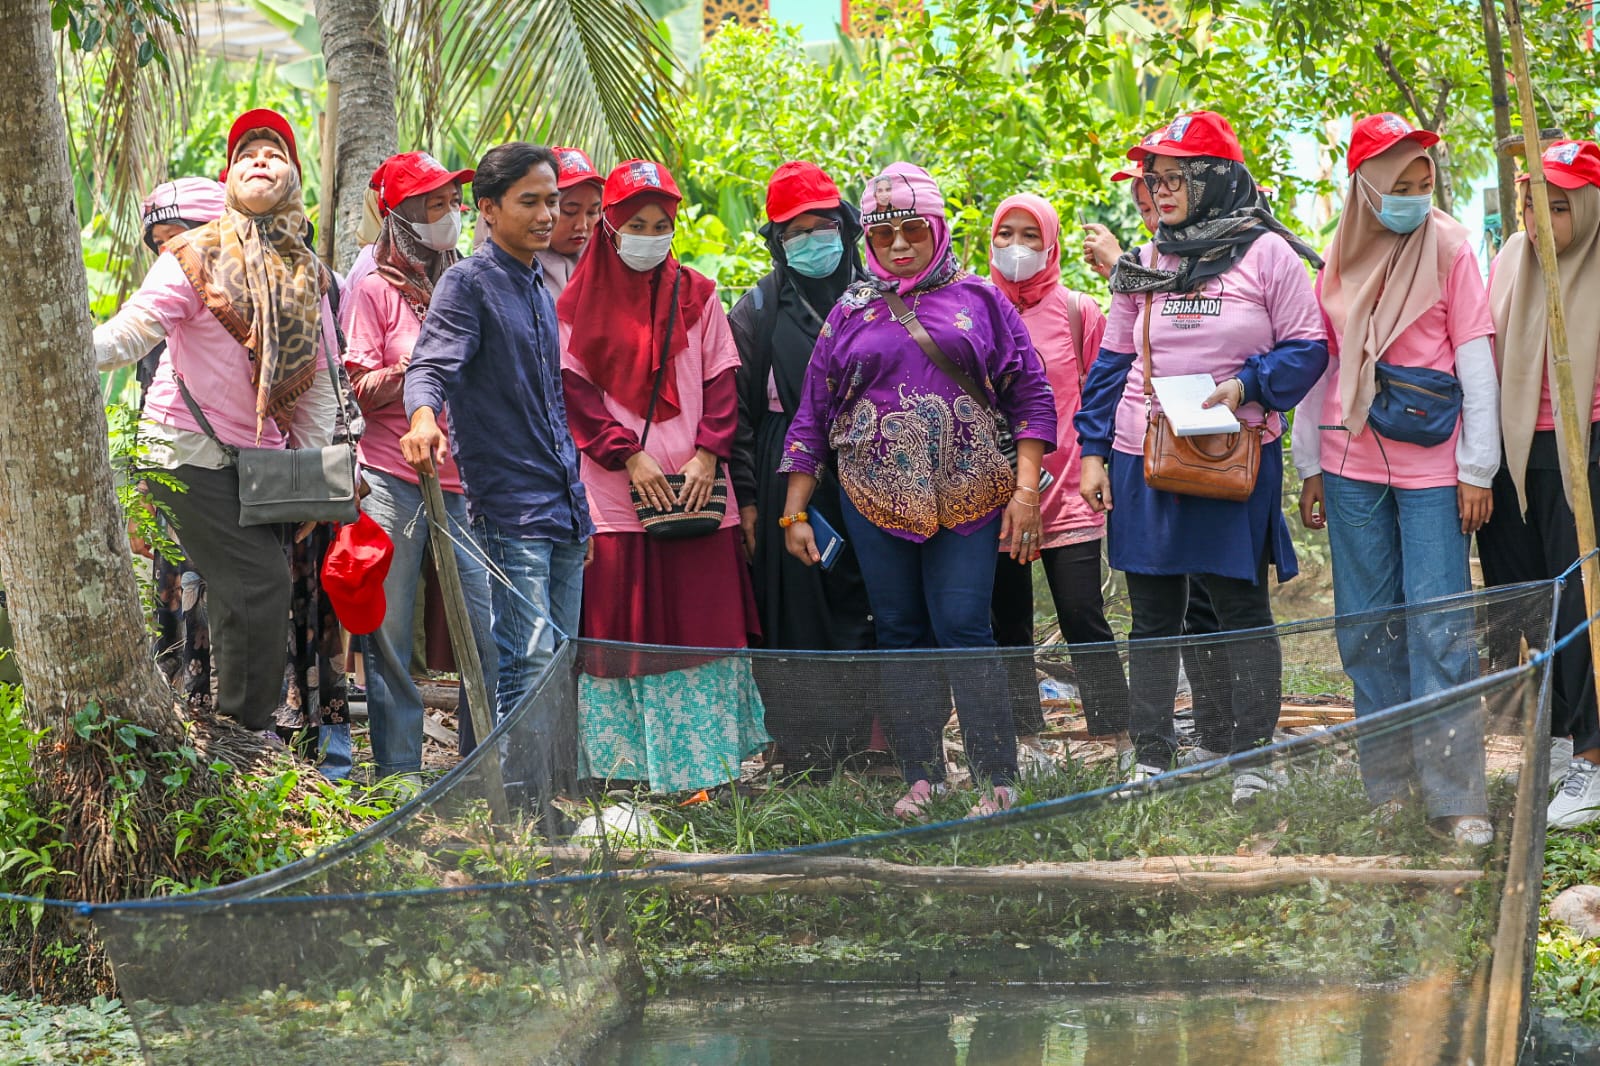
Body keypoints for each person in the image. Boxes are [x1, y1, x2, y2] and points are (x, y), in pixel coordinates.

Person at [779, 163, 1057, 819]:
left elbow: (1031, 397)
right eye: (885, 236)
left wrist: (1025, 492)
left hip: (971, 494)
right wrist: (795, 510)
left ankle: (997, 778)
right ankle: (921, 776)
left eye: (912, 231)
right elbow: (812, 416)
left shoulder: (983, 300)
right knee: (899, 631)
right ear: (868, 242)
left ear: (936, 228)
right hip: (873, 497)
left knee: (964, 625)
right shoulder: (847, 314)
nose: (899, 246)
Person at [1074, 110, 1329, 805]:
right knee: (1153, 611)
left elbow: (1309, 348)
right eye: (1150, 179)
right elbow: (1113, 361)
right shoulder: (1144, 262)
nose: (1157, 190)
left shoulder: (1268, 255)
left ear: (1215, 177)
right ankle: (1153, 756)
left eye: (1173, 176)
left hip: (1231, 454)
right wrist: (1093, 452)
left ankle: (1248, 754)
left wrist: (1246, 385)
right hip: (1143, 451)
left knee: (1240, 604)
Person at [93, 109, 346, 748]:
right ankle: (245, 732)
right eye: (246, 154)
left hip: (263, 468)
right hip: (186, 449)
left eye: (275, 152)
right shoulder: (193, 255)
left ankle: (222, 732)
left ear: (292, 176)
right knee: (258, 583)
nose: (260, 160)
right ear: (228, 177)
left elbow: (318, 383)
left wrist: (314, 478)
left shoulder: (307, 273)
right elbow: (133, 330)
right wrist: (59, 342)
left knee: (247, 594)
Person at [1294, 114, 1498, 847]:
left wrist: (1478, 467)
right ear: (1365, 189)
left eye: (1424, 182)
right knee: (1365, 627)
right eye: (1397, 186)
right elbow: (1323, 362)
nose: (1414, 196)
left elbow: (1475, 357)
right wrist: (1311, 464)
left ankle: (1455, 796)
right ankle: (1388, 787)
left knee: (1441, 628)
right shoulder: (1338, 255)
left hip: (1434, 469)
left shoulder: (1449, 247)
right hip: (1350, 467)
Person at [558, 159, 769, 795]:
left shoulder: (700, 294)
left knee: (703, 626)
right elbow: (577, 395)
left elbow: (722, 383)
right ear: (609, 228)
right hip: (617, 496)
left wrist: (708, 457)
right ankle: (629, 774)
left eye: (661, 224)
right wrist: (630, 457)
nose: (650, 235)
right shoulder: (574, 304)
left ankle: (708, 771)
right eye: (635, 223)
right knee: (626, 628)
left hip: (700, 492)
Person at [403, 143, 593, 746]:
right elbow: (429, 365)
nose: (547, 216)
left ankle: (547, 800)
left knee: (560, 661)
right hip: (510, 509)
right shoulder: (468, 283)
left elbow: (551, 407)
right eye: (530, 202)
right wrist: (424, 418)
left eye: (554, 202)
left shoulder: (538, 285)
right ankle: (512, 809)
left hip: (562, 505)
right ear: (488, 208)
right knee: (526, 662)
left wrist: (579, 511)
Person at [344, 150, 503, 781]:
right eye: (430, 206)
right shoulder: (373, 285)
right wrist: (422, 377)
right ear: (399, 216)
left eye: (450, 204)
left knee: (487, 624)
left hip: (469, 479)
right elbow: (356, 383)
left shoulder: (468, 276)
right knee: (388, 629)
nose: (446, 216)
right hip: (392, 474)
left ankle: (484, 765)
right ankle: (399, 775)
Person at [728, 161, 877, 781]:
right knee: (794, 606)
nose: (811, 241)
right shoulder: (759, 308)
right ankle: (801, 746)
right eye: (795, 233)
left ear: (845, 226)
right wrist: (749, 499)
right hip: (783, 466)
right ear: (776, 241)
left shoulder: (880, 296)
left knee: (870, 597)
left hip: (872, 464)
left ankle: (874, 741)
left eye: (823, 226)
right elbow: (732, 408)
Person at [1478, 139, 1600, 830]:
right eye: (1530, 203)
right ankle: (1555, 738)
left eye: (1558, 207)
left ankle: (1593, 754)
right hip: (1510, 452)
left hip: (1584, 454)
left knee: (1584, 604)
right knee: (1527, 599)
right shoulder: (1508, 263)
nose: (1539, 220)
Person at [986, 193, 1131, 766]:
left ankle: (1119, 736)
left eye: (1029, 235)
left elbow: (1104, 394)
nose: (1016, 246)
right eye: (1005, 234)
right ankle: (1025, 739)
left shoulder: (1078, 311)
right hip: (994, 495)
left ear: (1051, 244)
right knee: (1008, 620)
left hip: (1069, 489)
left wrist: (1101, 462)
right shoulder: (971, 307)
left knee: (1082, 615)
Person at [134, 178, 226, 705]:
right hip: (172, 474)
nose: (169, 250)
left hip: (232, 475)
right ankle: (180, 705)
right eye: (161, 240)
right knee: (175, 593)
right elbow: (146, 404)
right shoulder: (156, 309)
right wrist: (143, 500)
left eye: (180, 236)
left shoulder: (252, 301)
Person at [537, 147, 604, 298]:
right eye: (570, 211)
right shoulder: (514, 272)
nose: (582, 225)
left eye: (593, 212)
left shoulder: (607, 267)